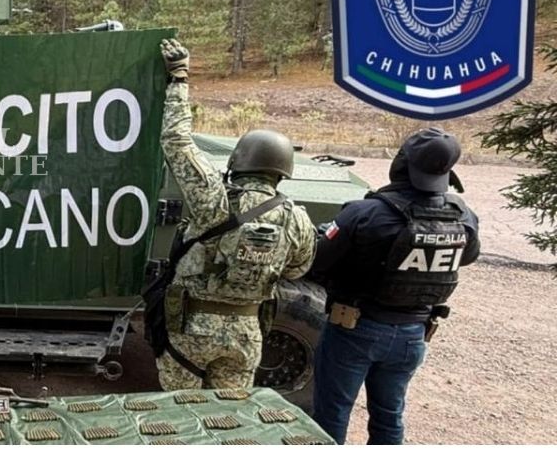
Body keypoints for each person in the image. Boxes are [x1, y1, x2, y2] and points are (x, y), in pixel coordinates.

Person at [156, 38, 316, 390]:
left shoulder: (213, 199)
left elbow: (176, 141)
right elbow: (296, 270)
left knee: (179, 413)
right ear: (283, 171)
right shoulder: (297, 219)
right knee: (228, 416)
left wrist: (179, 77)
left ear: (237, 162)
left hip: (191, 329)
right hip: (246, 334)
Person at [310, 127, 479, 444]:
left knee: (331, 415)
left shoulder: (364, 212)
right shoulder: (463, 216)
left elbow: (319, 260)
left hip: (354, 330)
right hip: (413, 334)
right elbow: (467, 256)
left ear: (401, 164)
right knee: (389, 417)